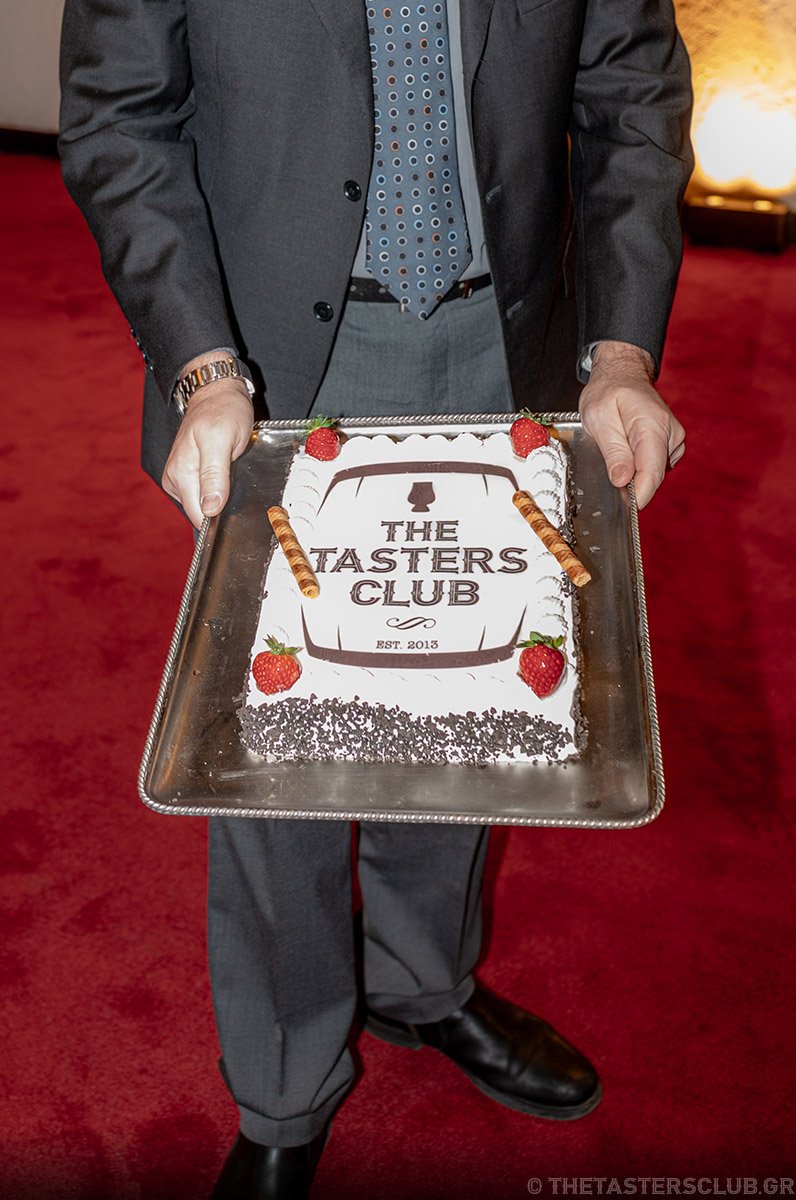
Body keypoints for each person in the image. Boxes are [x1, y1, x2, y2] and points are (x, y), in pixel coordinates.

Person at [59, 0, 692, 1194]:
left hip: (506, 336)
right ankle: (284, 1090)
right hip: (269, 370)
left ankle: (420, 981)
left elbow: (629, 95)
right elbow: (118, 119)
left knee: (471, 704)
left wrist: (617, 353)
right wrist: (202, 364)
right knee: (279, 750)